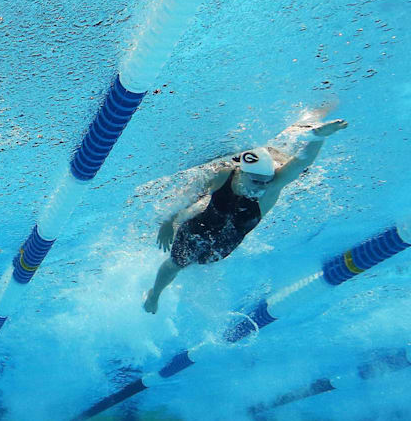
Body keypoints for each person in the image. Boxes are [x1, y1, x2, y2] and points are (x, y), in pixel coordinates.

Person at [143, 118, 349, 313]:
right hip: (196, 230)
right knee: (175, 265)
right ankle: (154, 295)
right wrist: (169, 221)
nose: (262, 186)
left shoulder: (271, 188)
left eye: (266, 180)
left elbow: (299, 165)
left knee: (203, 262)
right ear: (241, 173)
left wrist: (319, 136)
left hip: (224, 246)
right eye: (256, 181)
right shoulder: (224, 175)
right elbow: (188, 194)